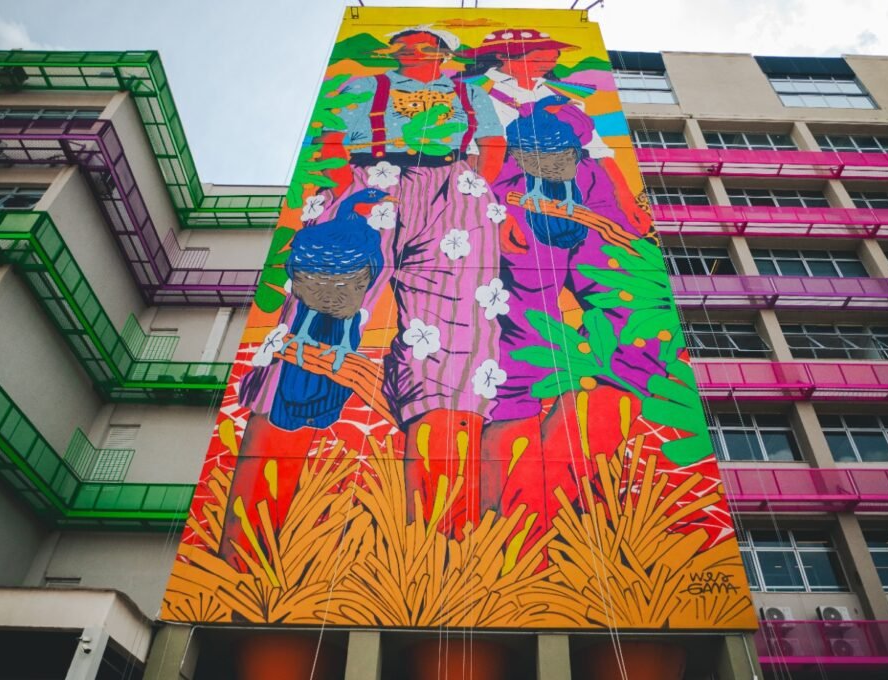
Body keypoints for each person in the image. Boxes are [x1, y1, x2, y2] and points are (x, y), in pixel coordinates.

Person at [236, 25, 508, 539]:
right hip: (369, 181)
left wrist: (476, 189)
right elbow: (331, 139)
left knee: (457, 342)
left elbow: (491, 143)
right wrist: (345, 185)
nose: (413, 53)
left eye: (425, 47)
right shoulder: (365, 86)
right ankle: (250, 535)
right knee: (318, 312)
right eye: (404, 46)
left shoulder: (470, 93)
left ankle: (438, 543)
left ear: (443, 54)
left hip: (452, 191)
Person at [460, 30, 664, 545]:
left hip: (590, 192)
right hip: (517, 194)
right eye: (540, 50)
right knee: (525, 326)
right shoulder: (479, 93)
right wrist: (494, 210)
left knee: (630, 310)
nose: (551, 56)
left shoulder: (566, 97)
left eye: (552, 51)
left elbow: (602, 154)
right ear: (510, 54)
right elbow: (477, 159)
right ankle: (512, 495)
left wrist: (628, 206)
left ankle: (576, 459)